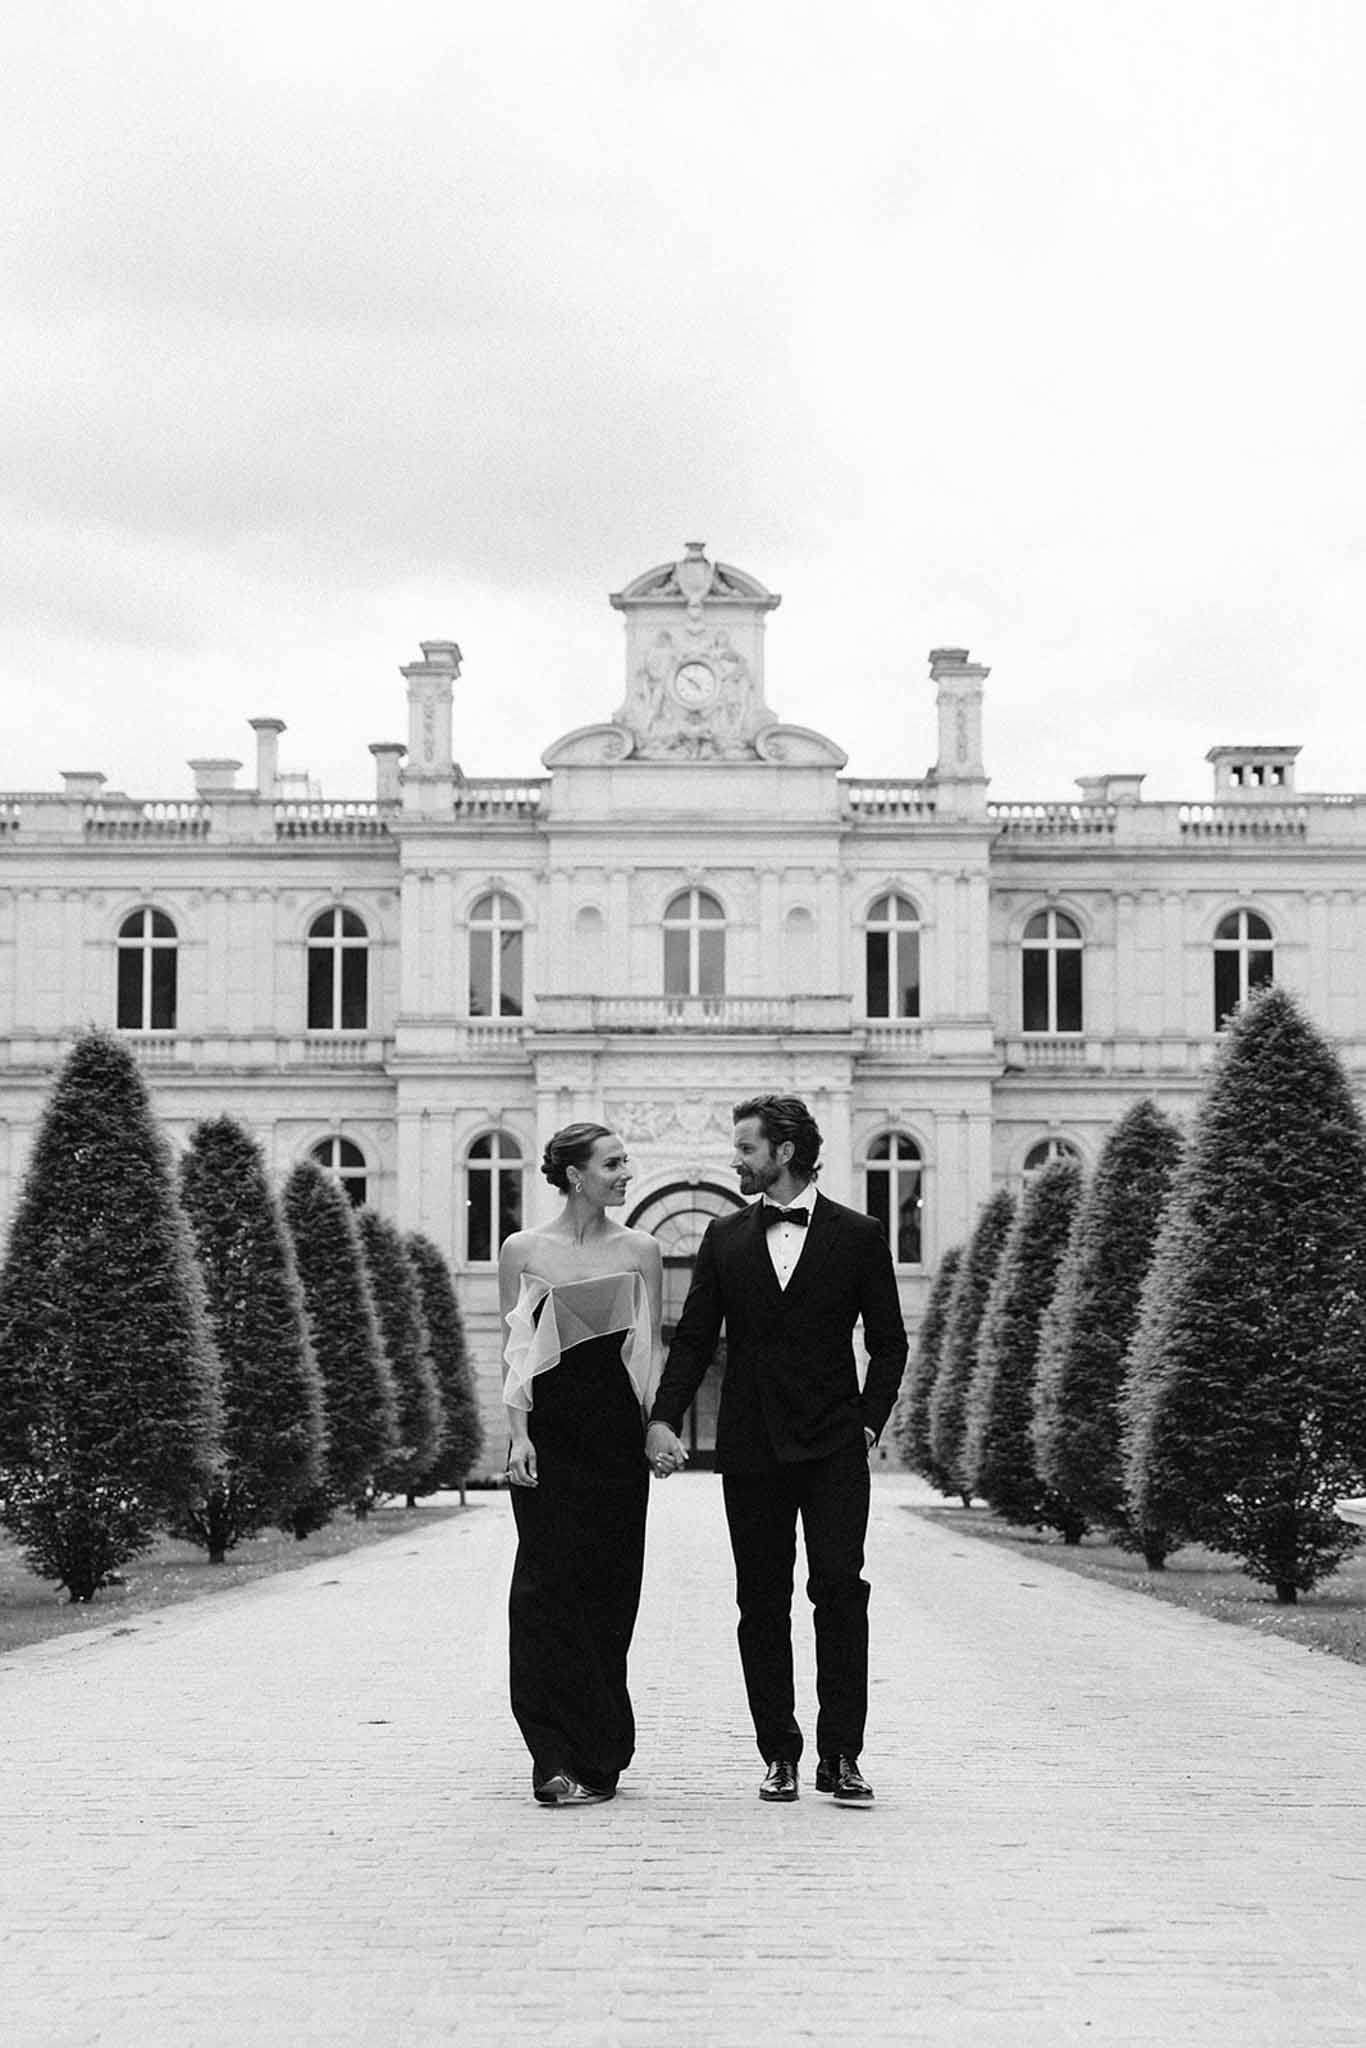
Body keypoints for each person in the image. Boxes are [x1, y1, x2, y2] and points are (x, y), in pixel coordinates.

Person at [646, 1095, 908, 1804]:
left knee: (839, 1595)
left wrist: (869, 1422)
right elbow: (695, 1337)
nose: (737, 1160)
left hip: (833, 1447)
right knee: (761, 1603)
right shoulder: (725, 1237)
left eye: (747, 1148)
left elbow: (889, 1343)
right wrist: (663, 1418)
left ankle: (843, 1755)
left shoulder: (858, 1235)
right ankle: (780, 1754)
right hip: (751, 1445)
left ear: (785, 1151)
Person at [502, 1123, 663, 1806]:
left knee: (608, 1589)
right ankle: (550, 1756)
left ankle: (601, 1750)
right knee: (542, 1593)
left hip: (615, 1440)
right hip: (547, 1435)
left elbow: (645, 1351)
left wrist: (656, 1426)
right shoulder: (523, 1249)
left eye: (626, 1161)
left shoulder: (642, 1249)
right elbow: (514, 1351)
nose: (626, 1173)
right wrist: (517, 1436)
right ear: (575, 1175)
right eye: (613, 1163)